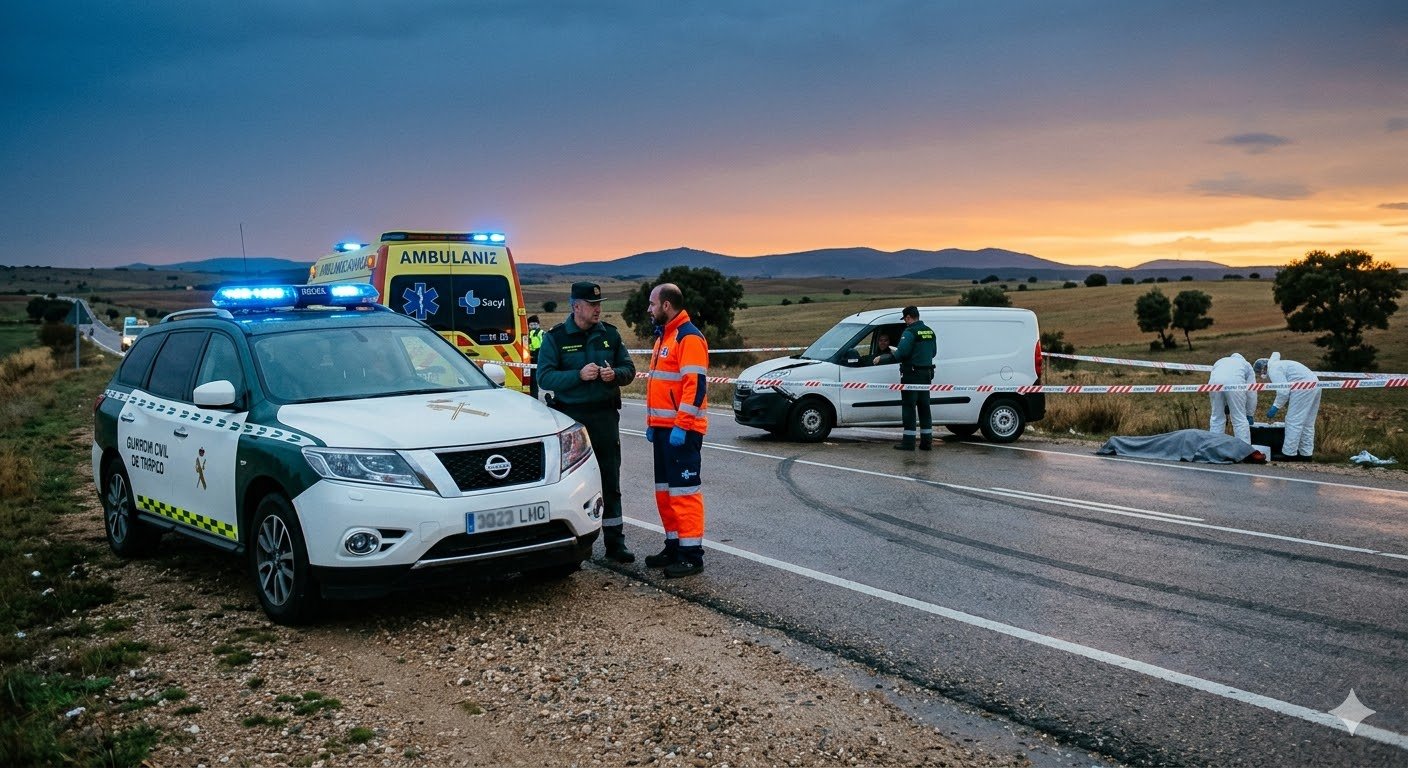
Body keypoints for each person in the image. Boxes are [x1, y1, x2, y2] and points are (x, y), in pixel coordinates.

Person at [534, 283, 637, 562]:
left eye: (599, 304)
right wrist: (578, 375)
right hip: (571, 419)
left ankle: (615, 543)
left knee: (609, 479)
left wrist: (613, 374)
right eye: (592, 305)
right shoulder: (555, 337)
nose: (598, 309)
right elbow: (544, 378)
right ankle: (575, 545)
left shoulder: (610, 335)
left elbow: (630, 370)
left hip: (604, 417)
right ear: (576, 306)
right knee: (572, 482)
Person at [644, 283, 709, 577]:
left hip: (681, 432)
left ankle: (691, 554)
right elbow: (660, 385)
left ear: (666, 305)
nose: (649, 309)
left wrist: (682, 426)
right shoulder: (664, 337)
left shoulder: (688, 337)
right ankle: (674, 544)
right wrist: (651, 424)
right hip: (662, 430)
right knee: (665, 493)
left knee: (684, 493)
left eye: (652, 304)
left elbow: (695, 388)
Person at [1253, 353, 1320, 461]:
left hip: (1303, 387)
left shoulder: (1273, 369)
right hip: (1315, 384)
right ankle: (1306, 455)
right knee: (1307, 423)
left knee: (1293, 421)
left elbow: (1283, 391)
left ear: (1263, 369)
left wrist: (1275, 407)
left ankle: (1289, 454)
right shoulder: (1281, 365)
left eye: (1259, 372)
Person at [891, 306, 937, 451]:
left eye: (905, 318)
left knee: (909, 407)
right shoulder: (929, 331)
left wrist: (883, 357)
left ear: (909, 317)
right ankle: (926, 442)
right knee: (924, 407)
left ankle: (909, 442)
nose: (905, 321)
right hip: (926, 374)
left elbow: (901, 353)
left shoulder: (910, 331)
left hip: (911, 374)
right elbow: (933, 352)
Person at [1207, 352, 1257, 444]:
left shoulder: (1219, 361)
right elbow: (1251, 392)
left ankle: (1213, 450)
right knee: (1239, 419)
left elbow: (1218, 379)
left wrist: (1225, 404)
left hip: (1213, 384)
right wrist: (1250, 413)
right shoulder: (1247, 365)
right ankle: (1244, 453)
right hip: (1235, 384)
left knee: (1216, 418)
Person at [526, 315, 544, 398]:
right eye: (531, 325)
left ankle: (534, 398)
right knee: (531, 381)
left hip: (538, 358)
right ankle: (533, 397)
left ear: (539, 325)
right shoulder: (526, 334)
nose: (533, 326)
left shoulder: (542, 333)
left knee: (534, 380)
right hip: (529, 359)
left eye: (535, 324)